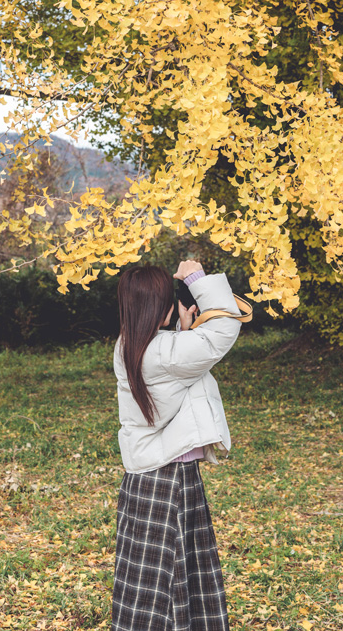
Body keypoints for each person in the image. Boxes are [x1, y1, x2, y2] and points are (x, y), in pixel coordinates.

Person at [110, 260, 242, 631]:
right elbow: (224, 329)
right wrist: (197, 280)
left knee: (149, 579)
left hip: (149, 475)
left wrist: (182, 331)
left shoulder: (129, 345)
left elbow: (179, 359)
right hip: (169, 475)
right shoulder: (166, 351)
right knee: (172, 574)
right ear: (163, 307)